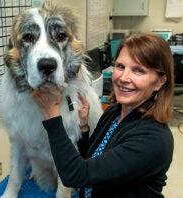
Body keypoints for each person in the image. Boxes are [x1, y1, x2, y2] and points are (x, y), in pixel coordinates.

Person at [32, 32, 174, 198]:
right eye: (120, 66)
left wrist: (51, 115)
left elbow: (76, 176)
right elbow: (93, 159)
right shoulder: (115, 112)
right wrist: (84, 128)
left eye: (138, 71)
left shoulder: (154, 139)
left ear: (159, 81)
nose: (123, 78)